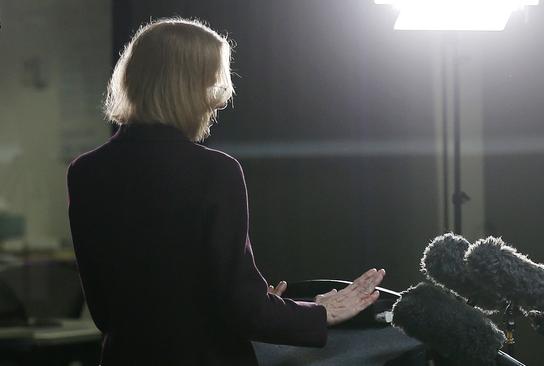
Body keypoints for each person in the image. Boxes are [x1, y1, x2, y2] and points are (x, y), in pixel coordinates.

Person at [67, 17, 386, 366]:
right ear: (191, 87)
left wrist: (259, 303)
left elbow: (105, 311)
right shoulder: (215, 171)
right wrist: (318, 312)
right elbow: (241, 308)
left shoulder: (85, 172)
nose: (216, 103)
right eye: (213, 84)